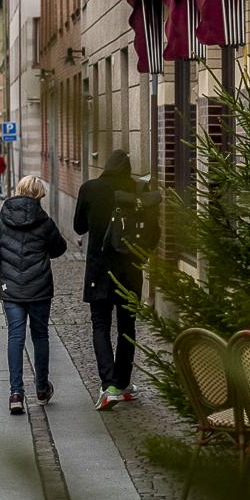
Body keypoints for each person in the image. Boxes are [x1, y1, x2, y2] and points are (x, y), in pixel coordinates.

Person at [74, 150, 162, 411]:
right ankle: (122, 384)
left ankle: (108, 385)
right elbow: (153, 229)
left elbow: (79, 226)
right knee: (127, 327)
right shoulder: (138, 189)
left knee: (100, 325)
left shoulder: (91, 188)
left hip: (99, 270)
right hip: (131, 269)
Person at [0, 174, 67, 414]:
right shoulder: (44, 221)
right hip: (39, 288)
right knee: (40, 336)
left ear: (18, 190)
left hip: (13, 290)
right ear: (39, 195)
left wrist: (1, 272)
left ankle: (16, 393)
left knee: (15, 338)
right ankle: (41, 388)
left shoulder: (4, 219)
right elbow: (60, 247)